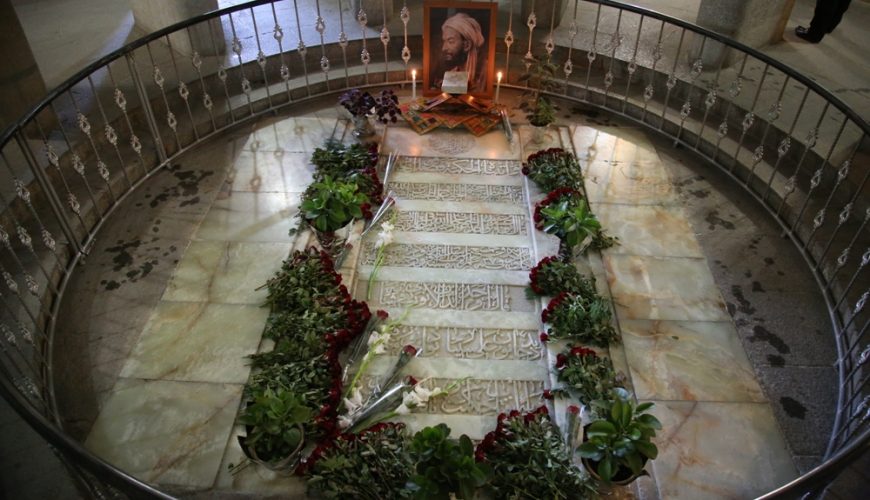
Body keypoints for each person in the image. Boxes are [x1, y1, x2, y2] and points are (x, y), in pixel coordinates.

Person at [433, 12, 487, 93]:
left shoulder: (485, 71)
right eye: (444, 41)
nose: (443, 48)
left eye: (450, 41)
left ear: (467, 45)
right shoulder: (454, 71)